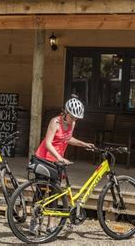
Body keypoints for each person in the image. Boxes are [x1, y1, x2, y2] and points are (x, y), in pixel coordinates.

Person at [32, 97, 95, 234]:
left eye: (76, 118)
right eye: (72, 117)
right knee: (41, 192)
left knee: (55, 191)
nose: (74, 120)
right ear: (65, 112)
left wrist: (83, 144)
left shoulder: (71, 124)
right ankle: (34, 221)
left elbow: (67, 139)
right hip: (44, 158)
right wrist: (60, 157)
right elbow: (48, 143)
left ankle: (51, 224)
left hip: (57, 162)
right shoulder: (55, 122)